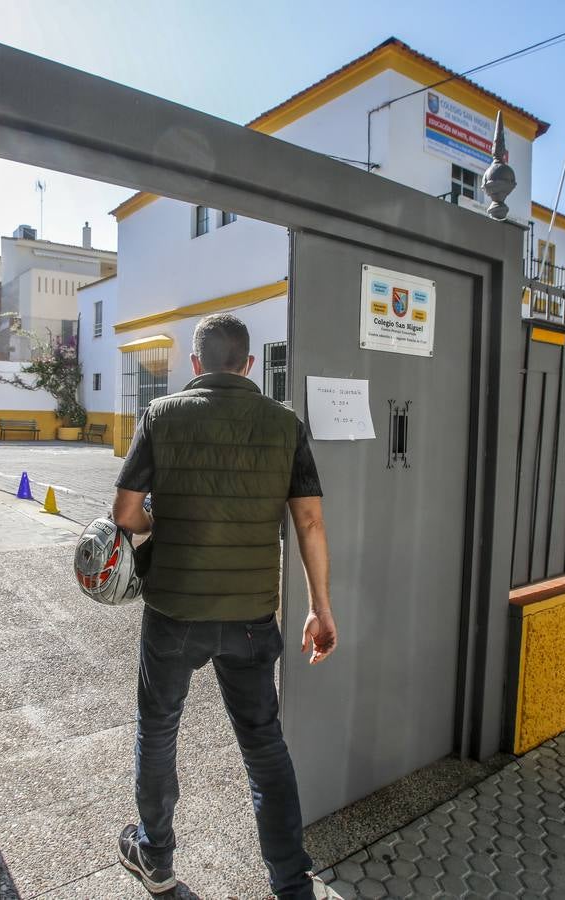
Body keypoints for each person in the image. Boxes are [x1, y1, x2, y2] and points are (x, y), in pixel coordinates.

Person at [110, 313, 340, 899]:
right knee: (264, 745)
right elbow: (308, 520)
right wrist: (320, 608)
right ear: (249, 364)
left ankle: (155, 857)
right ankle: (291, 882)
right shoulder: (285, 424)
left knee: (158, 731)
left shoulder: (162, 415)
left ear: (195, 365)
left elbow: (125, 513)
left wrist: (160, 522)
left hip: (173, 615)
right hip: (252, 618)